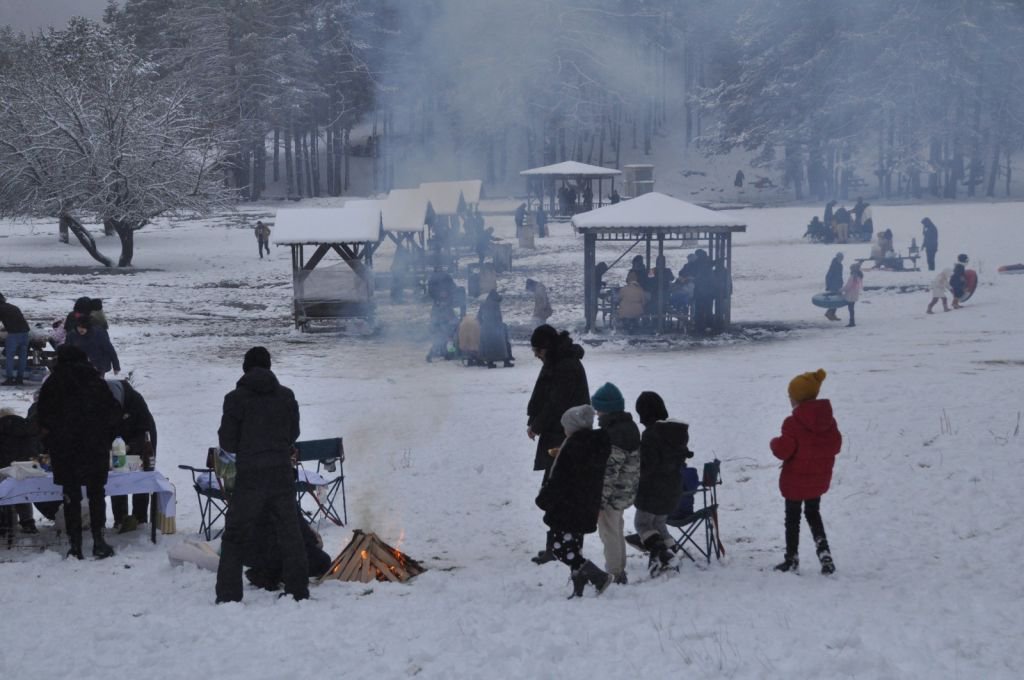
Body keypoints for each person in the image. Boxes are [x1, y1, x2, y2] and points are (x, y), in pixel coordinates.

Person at [215, 346, 309, 603]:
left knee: (235, 537)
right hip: (281, 474)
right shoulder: (286, 396)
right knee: (291, 534)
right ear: (270, 366)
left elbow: (228, 442)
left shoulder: (234, 399)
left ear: (245, 368)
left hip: (250, 478)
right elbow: (294, 433)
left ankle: (229, 595)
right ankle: (298, 591)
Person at [37, 345, 123, 559]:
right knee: (96, 494)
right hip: (94, 447)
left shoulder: (53, 383)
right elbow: (113, 412)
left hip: (65, 449)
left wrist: (52, 440)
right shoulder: (95, 381)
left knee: (70, 496)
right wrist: (105, 437)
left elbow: (42, 416)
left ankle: (75, 546)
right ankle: (99, 541)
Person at [534, 405, 613, 598]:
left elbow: (561, 479)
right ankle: (580, 584)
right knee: (574, 546)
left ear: (574, 427)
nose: (564, 430)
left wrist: (544, 499)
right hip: (584, 504)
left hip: (568, 506)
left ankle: (598, 577)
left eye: (566, 426)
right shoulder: (590, 444)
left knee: (561, 548)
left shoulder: (575, 446)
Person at [526, 325, 590, 564]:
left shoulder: (565, 367)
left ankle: (564, 547)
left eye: (538, 351)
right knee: (556, 492)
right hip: (560, 433)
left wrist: (537, 425)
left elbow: (555, 403)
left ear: (547, 348)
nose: (536, 357)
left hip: (567, 437)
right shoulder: (558, 362)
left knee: (559, 492)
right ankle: (558, 545)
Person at [770, 369, 842, 575]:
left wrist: (774, 443)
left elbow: (783, 451)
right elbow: (836, 445)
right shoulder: (829, 422)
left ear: (798, 398)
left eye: (790, 396)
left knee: (792, 519)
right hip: (818, 480)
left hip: (795, 482)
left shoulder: (792, 424)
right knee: (813, 513)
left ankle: (791, 559)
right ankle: (824, 554)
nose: (789, 399)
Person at [633, 391, 691, 577]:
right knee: (659, 524)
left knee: (642, 524)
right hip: (673, 488)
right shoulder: (675, 433)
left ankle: (665, 557)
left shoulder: (651, 435)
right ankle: (672, 552)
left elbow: (647, 466)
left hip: (652, 491)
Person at [591, 382, 641, 585]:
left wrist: (598, 501)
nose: (596, 413)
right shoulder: (629, 427)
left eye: (598, 409)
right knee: (617, 528)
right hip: (627, 490)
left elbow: (609, 473)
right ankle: (620, 568)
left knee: (608, 532)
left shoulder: (613, 434)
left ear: (606, 409)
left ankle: (615, 573)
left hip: (613, 494)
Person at [107, 378, 157, 533]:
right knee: (117, 475)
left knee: (141, 476)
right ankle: (120, 518)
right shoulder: (103, 400)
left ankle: (140, 518)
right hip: (116, 442)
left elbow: (145, 430)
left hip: (142, 438)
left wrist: (131, 446)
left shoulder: (135, 400)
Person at [0, 407, 41, 534]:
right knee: (22, 491)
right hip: (27, 469)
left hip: (5, 470)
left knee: (5, 487)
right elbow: (37, 447)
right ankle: (27, 521)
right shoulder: (26, 427)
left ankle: (4, 523)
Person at [0, 293, 30, 386]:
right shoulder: (14, 307)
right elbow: (17, 319)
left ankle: (9, 379)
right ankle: (19, 378)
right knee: (22, 357)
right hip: (25, 333)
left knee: (10, 357)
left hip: (14, 334)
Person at [478, 290, 512, 369]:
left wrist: (483, 325)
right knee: (502, 346)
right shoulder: (495, 304)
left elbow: (479, 317)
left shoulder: (483, 304)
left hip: (485, 329)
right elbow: (498, 317)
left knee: (489, 347)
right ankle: (506, 362)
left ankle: (490, 363)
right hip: (495, 328)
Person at [840, 262, 863, 327]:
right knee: (851, 309)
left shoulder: (853, 276)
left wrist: (840, 290)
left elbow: (848, 286)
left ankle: (852, 322)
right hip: (855, 294)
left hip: (851, 295)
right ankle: (852, 322)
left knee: (851, 309)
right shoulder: (859, 276)